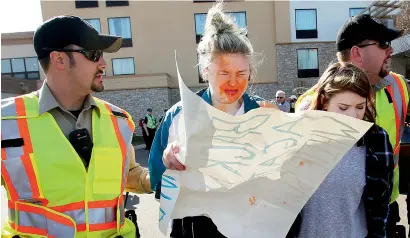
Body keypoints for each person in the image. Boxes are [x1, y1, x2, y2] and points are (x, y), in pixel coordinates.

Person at [1, 15, 151, 237]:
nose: (103, 64)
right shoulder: (6, 122)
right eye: (93, 54)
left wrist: (166, 174)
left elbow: (128, 174)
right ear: (59, 59)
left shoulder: (118, 120)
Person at [148, 3, 277, 237]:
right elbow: (158, 184)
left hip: (252, 224)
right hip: (195, 227)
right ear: (205, 71)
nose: (233, 82)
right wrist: (169, 167)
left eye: (241, 74)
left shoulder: (263, 113)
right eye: (224, 73)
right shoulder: (179, 116)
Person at [295, 14, 409, 236]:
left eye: (360, 107)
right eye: (384, 44)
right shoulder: (308, 106)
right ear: (357, 52)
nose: (391, 51)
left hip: (382, 211)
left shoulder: (399, 85)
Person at [287, 62, 394, 238]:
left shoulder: (376, 140)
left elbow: (381, 205)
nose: (353, 116)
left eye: (360, 107)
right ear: (324, 102)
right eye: (343, 108)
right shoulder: (299, 138)